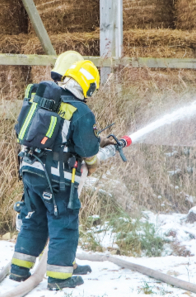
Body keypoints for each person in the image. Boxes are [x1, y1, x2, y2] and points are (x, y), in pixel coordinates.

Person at [10, 60, 117, 290]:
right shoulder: (81, 111)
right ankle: (59, 278)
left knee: (33, 220)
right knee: (64, 224)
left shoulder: (45, 102)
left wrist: (98, 141)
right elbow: (87, 150)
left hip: (30, 171)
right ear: (87, 86)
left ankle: (18, 270)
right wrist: (93, 161)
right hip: (56, 180)